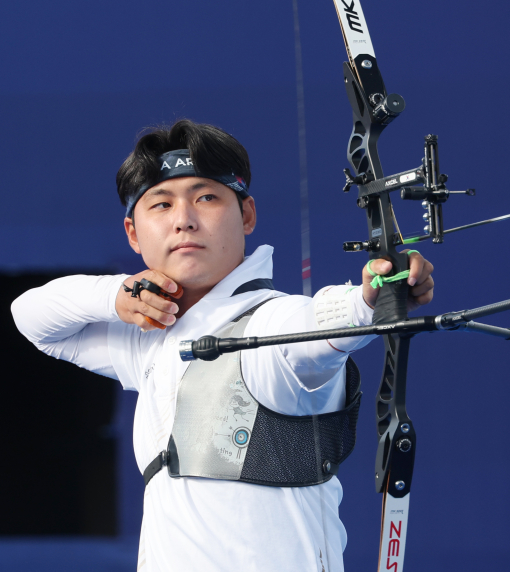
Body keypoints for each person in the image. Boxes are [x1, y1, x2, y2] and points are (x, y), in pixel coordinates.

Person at [10, 119, 434, 572]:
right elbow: (31, 316)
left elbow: (318, 326)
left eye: (206, 197)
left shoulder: (272, 321)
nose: (184, 219)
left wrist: (370, 298)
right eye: (161, 203)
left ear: (246, 214)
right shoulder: (148, 341)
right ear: (133, 234)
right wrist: (116, 295)